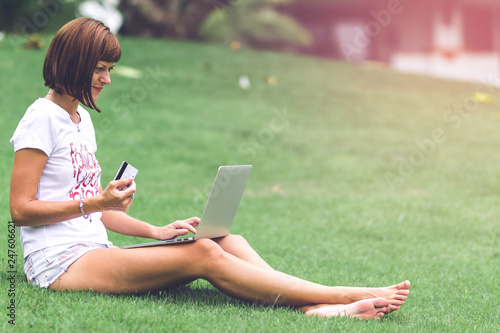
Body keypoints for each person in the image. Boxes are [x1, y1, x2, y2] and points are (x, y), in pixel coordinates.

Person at [9, 18, 410, 320]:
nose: (107, 79)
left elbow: (95, 209)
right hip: (59, 264)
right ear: (76, 64)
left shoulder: (81, 120)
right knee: (202, 253)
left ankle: (312, 306)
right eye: (100, 68)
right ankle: (336, 296)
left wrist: (154, 230)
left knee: (224, 240)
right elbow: (20, 210)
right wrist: (95, 201)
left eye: (109, 69)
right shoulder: (40, 118)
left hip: (95, 250)